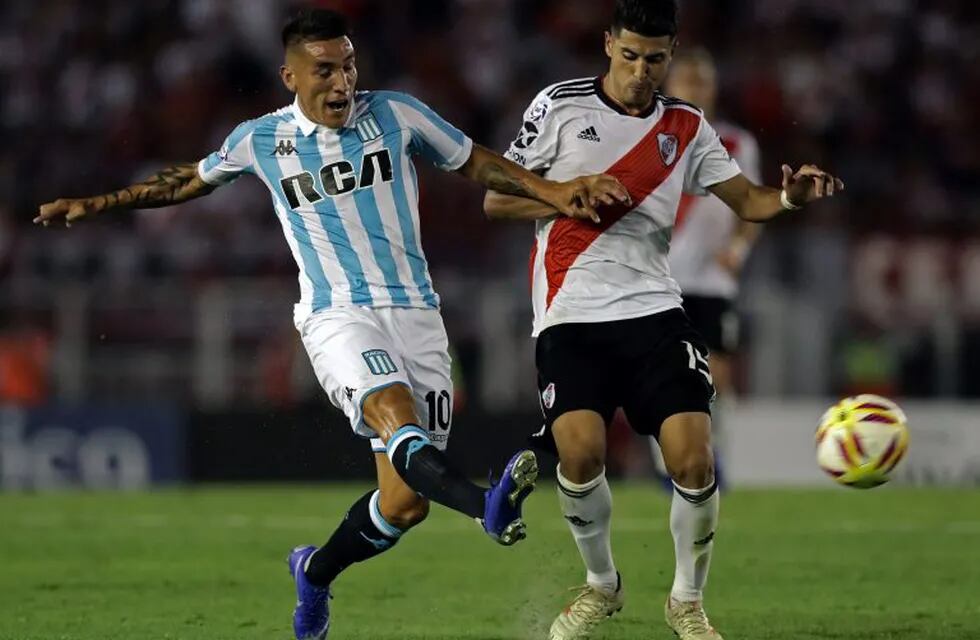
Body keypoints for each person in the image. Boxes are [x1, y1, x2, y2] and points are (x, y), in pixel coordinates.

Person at [34, 9, 629, 640]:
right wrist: (96, 204)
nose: (342, 81)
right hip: (337, 314)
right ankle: (485, 504)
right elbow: (189, 180)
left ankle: (315, 572)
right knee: (396, 417)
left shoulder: (396, 114)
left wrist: (557, 194)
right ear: (290, 75)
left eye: (348, 65)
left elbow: (477, 163)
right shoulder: (261, 138)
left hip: (418, 316)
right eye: (325, 70)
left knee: (404, 504)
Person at [484, 1, 843, 639]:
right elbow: (495, 199)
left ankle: (686, 600)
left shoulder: (686, 125)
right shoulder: (560, 106)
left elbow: (749, 202)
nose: (640, 72)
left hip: (654, 309)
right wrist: (567, 194)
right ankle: (602, 586)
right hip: (569, 313)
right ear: (607, 46)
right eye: (629, 56)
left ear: (670, 55)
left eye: (654, 59)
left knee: (694, 463)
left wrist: (790, 197)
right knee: (580, 454)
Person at [650, 47, 763, 489]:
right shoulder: (649, 135)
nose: (695, 89)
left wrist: (738, 250)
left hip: (712, 282)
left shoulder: (737, 143)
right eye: (687, 81)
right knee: (662, 375)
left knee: (718, 374)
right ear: (670, 85)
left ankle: (718, 462)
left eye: (703, 82)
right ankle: (666, 465)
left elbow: (751, 207)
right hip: (659, 280)